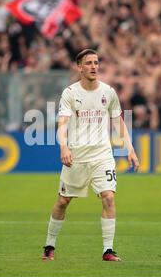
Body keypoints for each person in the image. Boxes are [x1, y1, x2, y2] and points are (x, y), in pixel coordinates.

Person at [42, 49, 140, 262]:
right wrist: (64, 147)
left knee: (109, 197)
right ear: (80, 67)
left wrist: (129, 149)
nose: (94, 66)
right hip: (77, 156)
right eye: (89, 63)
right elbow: (62, 124)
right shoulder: (70, 93)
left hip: (102, 155)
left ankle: (108, 250)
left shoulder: (108, 92)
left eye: (96, 62)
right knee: (63, 201)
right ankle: (49, 245)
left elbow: (118, 122)